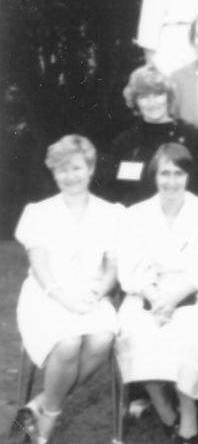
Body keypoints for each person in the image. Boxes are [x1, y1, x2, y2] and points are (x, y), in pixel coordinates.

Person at [13, 136, 123, 444]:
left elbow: (113, 265)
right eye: (61, 170)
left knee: (102, 337)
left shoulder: (111, 213)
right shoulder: (38, 212)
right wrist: (63, 299)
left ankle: (39, 406)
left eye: (76, 167)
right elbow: (39, 266)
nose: (70, 176)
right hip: (46, 295)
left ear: (90, 169)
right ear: (53, 173)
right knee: (68, 342)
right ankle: (48, 421)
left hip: (91, 293)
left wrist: (99, 292)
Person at [115, 144, 198, 444]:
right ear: (154, 175)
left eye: (178, 173)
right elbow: (130, 268)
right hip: (147, 293)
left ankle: (187, 410)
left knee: (192, 335)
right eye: (165, 173)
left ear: (188, 176)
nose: (171, 181)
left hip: (194, 292)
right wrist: (155, 297)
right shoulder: (135, 215)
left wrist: (175, 297)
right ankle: (164, 408)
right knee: (136, 331)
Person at [97, 65, 198, 207]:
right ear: (135, 101)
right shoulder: (124, 142)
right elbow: (112, 193)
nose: (152, 103)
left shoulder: (192, 138)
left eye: (158, 94)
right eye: (144, 96)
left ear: (168, 97)